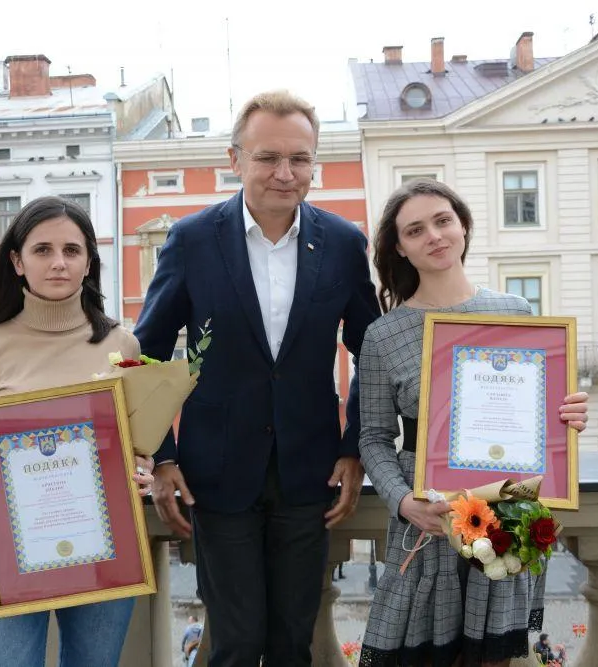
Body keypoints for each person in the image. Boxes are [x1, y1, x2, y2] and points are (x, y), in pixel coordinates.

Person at [134, 90, 381, 666]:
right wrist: (162, 456)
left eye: (300, 159)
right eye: (268, 157)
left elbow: (371, 351)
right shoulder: (193, 240)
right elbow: (145, 351)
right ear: (235, 159)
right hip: (216, 473)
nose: (285, 173)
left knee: (293, 644)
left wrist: (355, 447)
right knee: (237, 645)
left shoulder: (344, 244)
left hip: (310, 470)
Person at [356, 179, 589, 667]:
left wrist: (567, 416)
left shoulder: (516, 313)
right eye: (416, 230)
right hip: (427, 516)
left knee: (493, 659)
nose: (435, 236)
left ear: (462, 225)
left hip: (506, 503)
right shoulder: (382, 335)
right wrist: (402, 502)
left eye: (443, 221)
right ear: (400, 247)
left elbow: (539, 417)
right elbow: (374, 438)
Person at [0, 195, 155, 666]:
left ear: (89, 262)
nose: (58, 263)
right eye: (42, 250)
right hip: (4, 545)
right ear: (17, 262)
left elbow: (134, 444)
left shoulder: (122, 344)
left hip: (104, 548)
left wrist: (141, 470)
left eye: (72, 250)